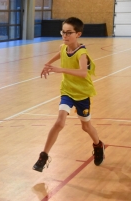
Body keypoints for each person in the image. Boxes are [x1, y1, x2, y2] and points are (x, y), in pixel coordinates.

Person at [32, 17, 105, 172]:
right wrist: (48, 64)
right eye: (63, 32)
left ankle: (98, 145)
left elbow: (83, 72)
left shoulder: (82, 53)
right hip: (67, 91)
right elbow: (60, 53)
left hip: (82, 93)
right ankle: (43, 156)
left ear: (78, 34)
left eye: (69, 33)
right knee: (59, 122)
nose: (65, 36)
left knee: (86, 126)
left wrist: (60, 69)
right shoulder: (64, 47)